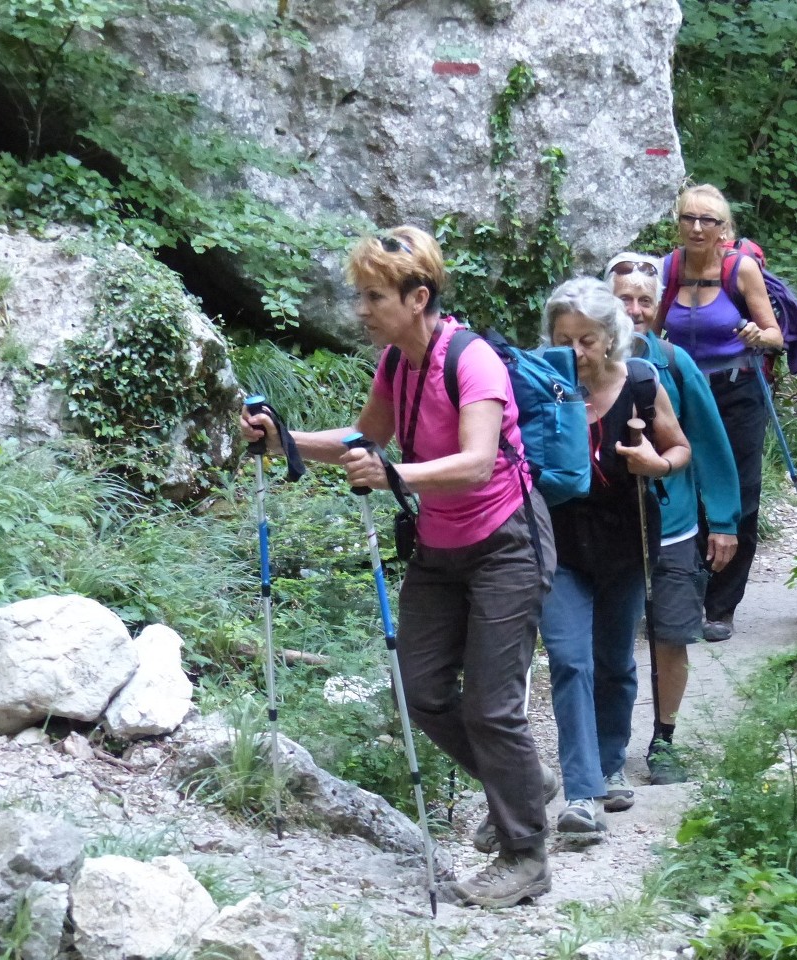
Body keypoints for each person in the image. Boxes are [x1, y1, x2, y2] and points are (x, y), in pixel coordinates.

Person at [242, 225, 557, 909]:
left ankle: (525, 854)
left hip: (508, 544)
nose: (361, 309)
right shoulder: (396, 364)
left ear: (419, 297)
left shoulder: (472, 361)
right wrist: (286, 441)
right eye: (360, 294)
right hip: (441, 549)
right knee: (420, 689)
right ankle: (525, 787)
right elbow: (368, 440)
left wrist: (395, 477)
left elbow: (476, 463)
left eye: (374, 296)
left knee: (492, 706)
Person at [538, 276, 691, 834]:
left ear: (609, 338)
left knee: (616, 661)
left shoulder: (643, 384)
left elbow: (679, 448)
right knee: (570, 658)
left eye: (585, 339)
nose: (575, 351)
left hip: (626, 544)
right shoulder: (540, 387)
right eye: (564, 338)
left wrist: (657, 465)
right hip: (558, 545)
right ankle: (581, 793)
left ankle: (608, 763)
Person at [605, 252, 741, 783]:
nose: (635, 311)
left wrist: (724, 519)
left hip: (675, 522)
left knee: (671, 634)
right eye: (624, 300)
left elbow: (707, 439)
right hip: (608, 527)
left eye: (644, 299)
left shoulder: (673, 362)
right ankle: (606, 745)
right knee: (608, 639)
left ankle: (664, 739)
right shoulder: (577, 364)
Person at [657, 185, 782, 643]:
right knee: (681, 488)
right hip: (680, 394)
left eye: (707, 220)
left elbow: (775, 336)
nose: (696, 227)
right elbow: (650, 333)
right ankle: (684, 593)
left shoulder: (740, 270)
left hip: (737, 393)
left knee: (740, 492)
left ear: (722, 228)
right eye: (688, 218)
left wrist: (755, 333)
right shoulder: (667, 269)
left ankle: (721, 606)